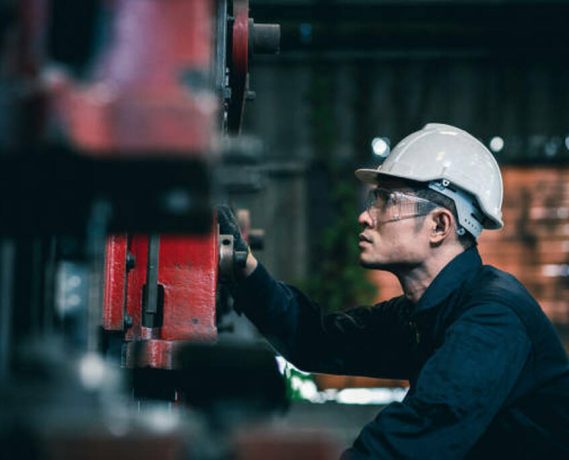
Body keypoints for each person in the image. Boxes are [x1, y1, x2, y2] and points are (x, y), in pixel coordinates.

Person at [218, 123, 569, 459]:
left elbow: (413, 440)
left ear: (439, 225)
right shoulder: (425, 312)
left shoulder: (491, 320)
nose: (365, 217)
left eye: (386, 201)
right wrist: (244, 269)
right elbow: (317, 339)